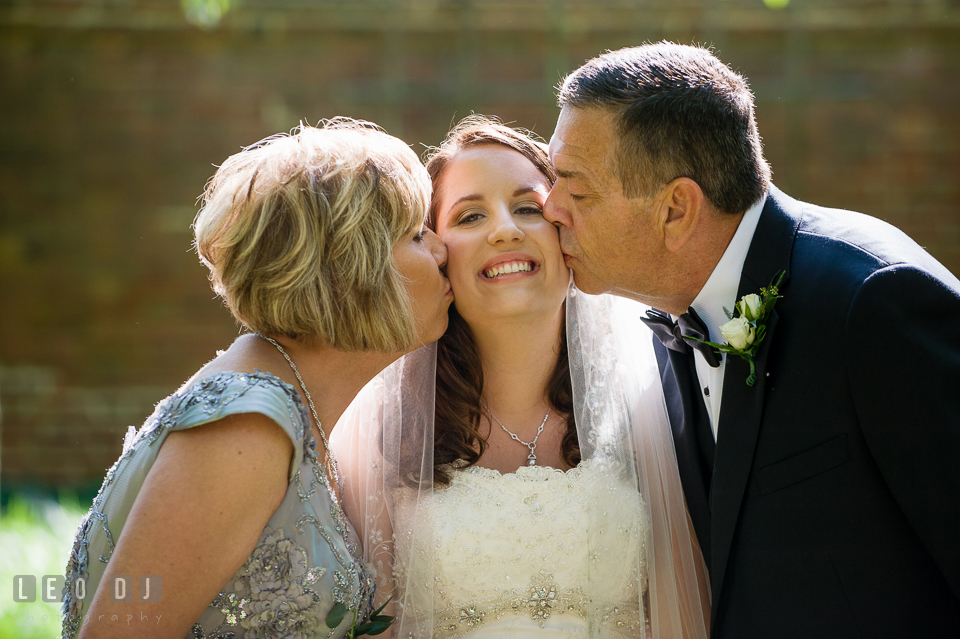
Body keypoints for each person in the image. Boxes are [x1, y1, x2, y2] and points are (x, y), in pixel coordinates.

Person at [543, 42, 960, 637]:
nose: (551, 207)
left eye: (576, 191)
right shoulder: (658, 333)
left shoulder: (872, 300)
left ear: (676, 209)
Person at [60, 119, 453, 639]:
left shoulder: (290, 402)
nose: (442, 249)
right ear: (352, 271)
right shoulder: (246, 424)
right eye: (417, 235)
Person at [333, 116, 709, 638]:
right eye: (469, 217)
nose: (505, 228)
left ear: (566, 234)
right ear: (435, 254)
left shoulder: (650, 402)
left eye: (529, 208)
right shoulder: (382, 431)